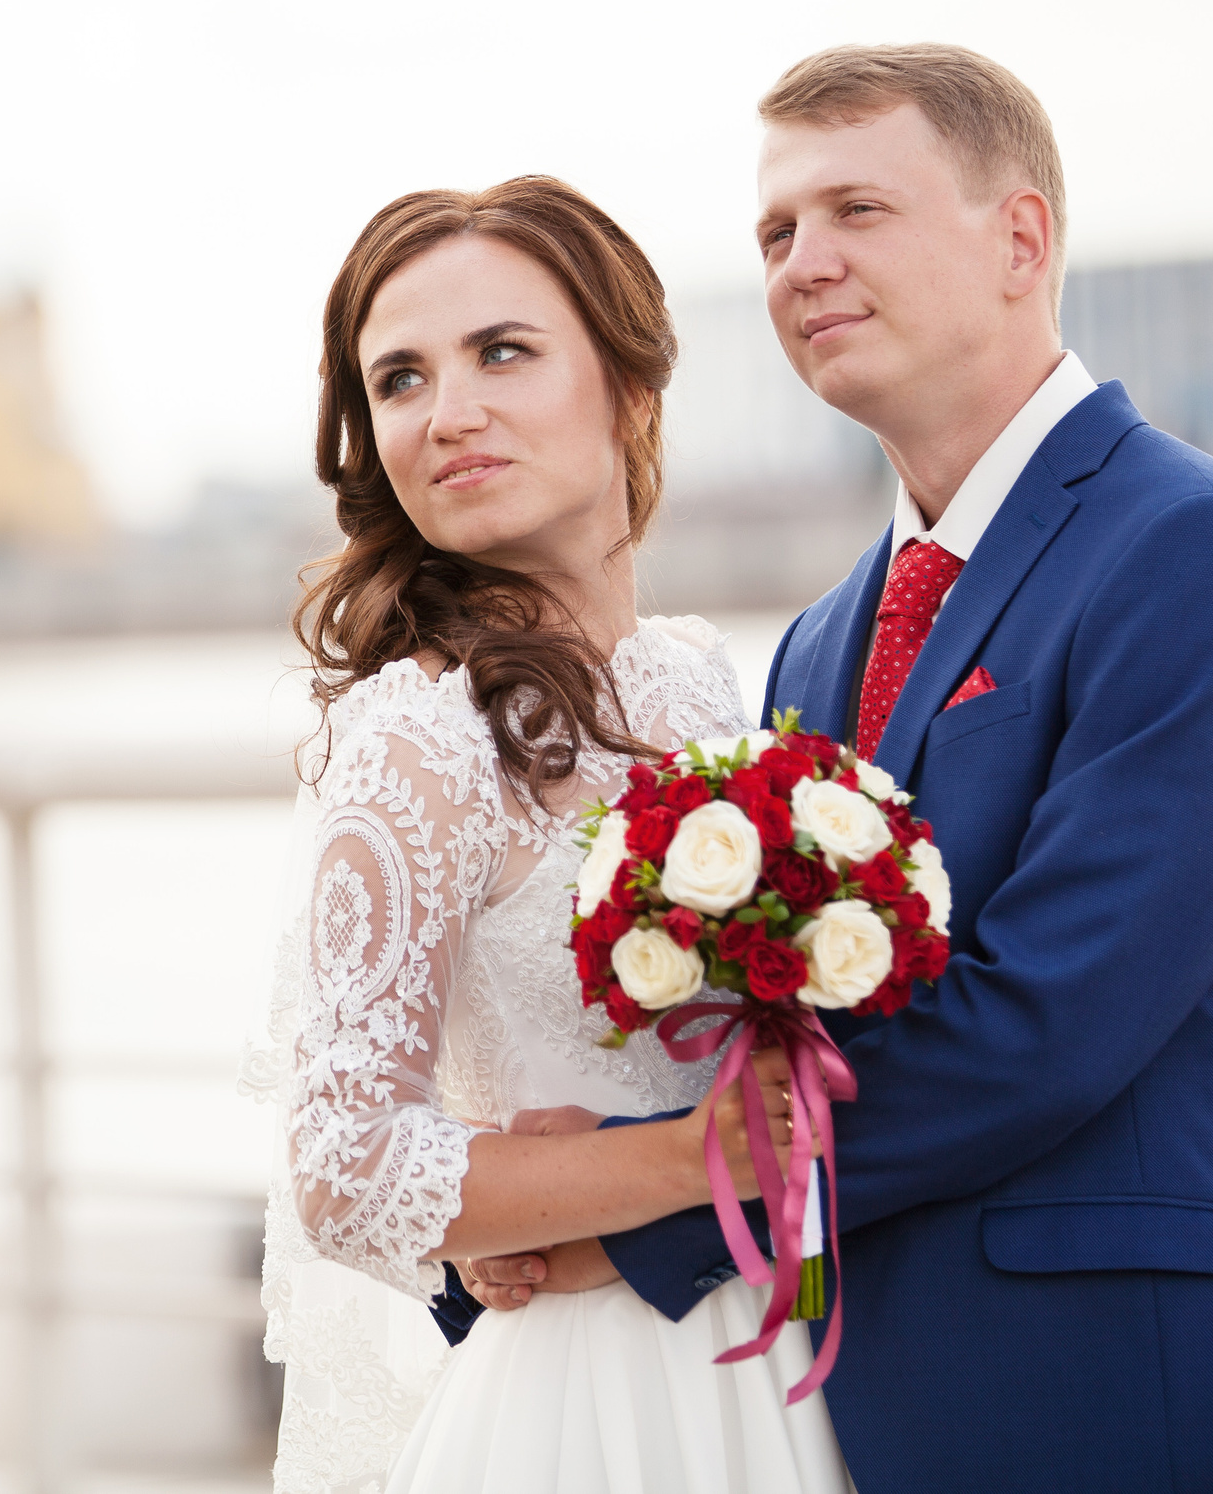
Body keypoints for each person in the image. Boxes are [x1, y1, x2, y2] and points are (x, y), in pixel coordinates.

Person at [465, 45, 1213, 1494]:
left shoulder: (1198, 553)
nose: (801, 264)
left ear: (1021, 238)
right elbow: (778, 1028)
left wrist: (640, 1208)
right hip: (866, 1400)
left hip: (1143, 1384)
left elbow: (1050, 1021)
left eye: (855, 211)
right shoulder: (823, 644)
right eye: (775, 233)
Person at [247, 176, 850, 1494]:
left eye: (502, 352)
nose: (448, 412)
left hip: (770, 1354)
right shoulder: (422, 736)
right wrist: (690, 1161)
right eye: (398, 379)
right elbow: (345, 1168)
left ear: (631, 385)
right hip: (583, 1392)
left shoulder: (698, 684)